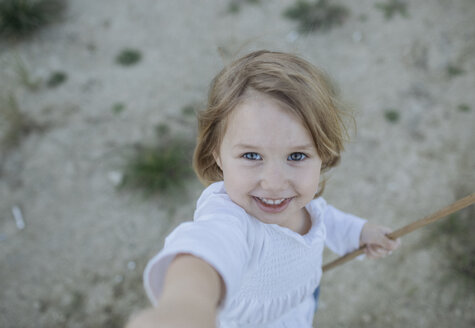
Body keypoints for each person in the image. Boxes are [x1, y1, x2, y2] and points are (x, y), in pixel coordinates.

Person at [126, 50, 401, 328]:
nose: (274, 183)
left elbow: (325, 220)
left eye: (296, 156)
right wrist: (186, 307)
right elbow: (207, 249)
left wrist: (359, 232)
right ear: (217, 154)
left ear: (323, 155)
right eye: (251, 156)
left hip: (300, 303)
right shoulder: (232, 219)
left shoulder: (303, 202)